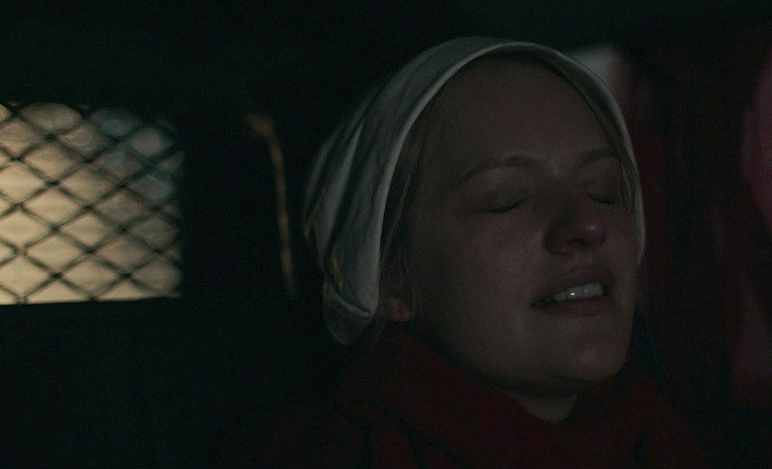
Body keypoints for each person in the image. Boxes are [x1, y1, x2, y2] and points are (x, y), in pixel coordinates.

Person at [252, 37, 707, 467]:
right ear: (391, 278)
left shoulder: (675, 440)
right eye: (506, 200)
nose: (589, 224)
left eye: (605, 191)